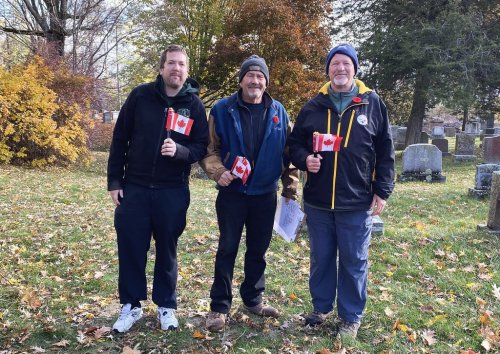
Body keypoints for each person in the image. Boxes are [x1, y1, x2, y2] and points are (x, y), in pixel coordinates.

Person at [287, 43, 395, 338]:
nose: (340, 69)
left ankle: (350, 316)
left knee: (354, 260)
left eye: (346, 63)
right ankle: (321, 309)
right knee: (321, 258)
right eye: (335, 64)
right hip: (319, 202)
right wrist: (304, 159)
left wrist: (382, 190)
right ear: (328, 70)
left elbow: (385, 150)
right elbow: (294, 144)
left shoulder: (371, 103)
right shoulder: (313, 106)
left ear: (355, 69)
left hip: (356, 200)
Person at [107, 44, 208, 333]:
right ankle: (131, 306)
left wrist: (179, 151)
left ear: (187, 71)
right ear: (162, 68)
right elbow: (119, 139)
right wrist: (115, 181)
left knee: (167, 249)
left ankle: (167, 306)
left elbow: (201, 147)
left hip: (172, 191)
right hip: (135, 188)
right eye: (171, 63)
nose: (176, 68)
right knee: (130, 247)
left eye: (181, 64)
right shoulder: (141, 96)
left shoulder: (194, 106)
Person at [199, 55, 298, 332]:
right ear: (241, 79)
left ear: (266, 82)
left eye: (260, 77)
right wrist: (219, 172)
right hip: (233, 193)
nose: (255, 81)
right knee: (227, 248)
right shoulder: (221, 109)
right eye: (250, 76)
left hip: (265, 194)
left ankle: (253, 299)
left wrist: (290, 189)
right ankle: (219, 306)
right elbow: (209, 149)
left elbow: (289, 155)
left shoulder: (279, 112)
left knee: (258, 250)